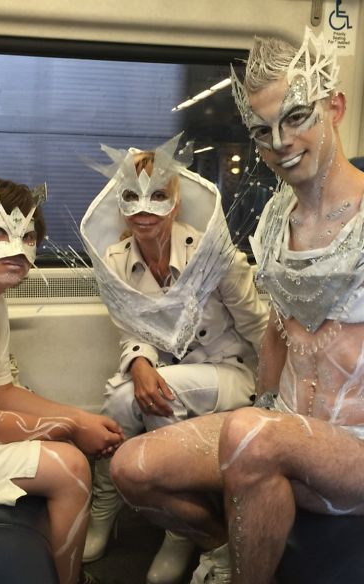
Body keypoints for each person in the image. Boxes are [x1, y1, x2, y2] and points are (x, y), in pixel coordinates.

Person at [110, 27, 364, 584]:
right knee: (132, 468)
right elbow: (275, 327)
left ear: (335, 107)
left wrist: (258, 426)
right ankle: (236, 544)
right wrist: (265, 403)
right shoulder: (276, 217)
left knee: (250, 434)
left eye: (296, 117)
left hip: (354, 452)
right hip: (285, 426)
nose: (280, 142)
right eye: (261, 130)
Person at [78, 137, 267, 582]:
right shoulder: (116, 260)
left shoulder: (214, 255)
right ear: (121, 205)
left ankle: (180, 530)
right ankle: (106, 505)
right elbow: (131, 333)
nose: (144, 206)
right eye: (133, 195)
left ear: (175, 199)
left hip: (231, 372)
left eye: (157, 193)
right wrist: (140, 364)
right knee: (123, 401)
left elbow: (259, 327)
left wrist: (279, 398)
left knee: (165, 391)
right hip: (166, 370)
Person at [0, 177, 124, 584]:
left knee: (67, 441)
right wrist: (72, 427)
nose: (16, 246)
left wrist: (76, 417)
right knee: (68, 466)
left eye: (27, 235)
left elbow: (3, 391)